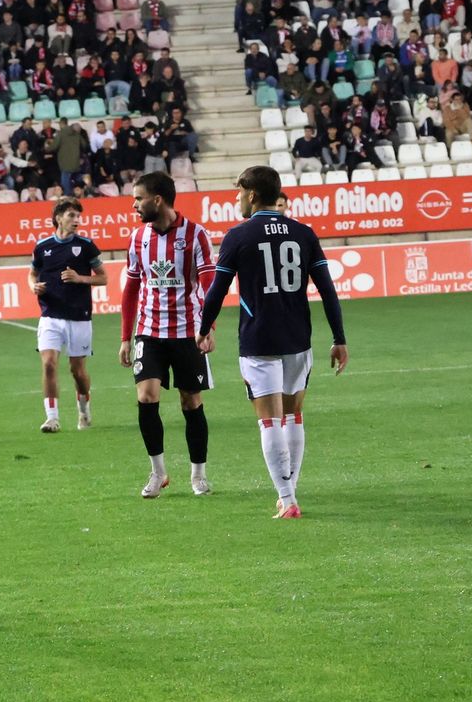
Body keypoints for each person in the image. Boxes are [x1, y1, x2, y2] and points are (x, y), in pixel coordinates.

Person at [197, 165, 349, 519]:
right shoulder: (303, 233)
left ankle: (288, 499)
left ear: (252, 194)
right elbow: (328, 290)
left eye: (239, 193)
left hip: (258, 339)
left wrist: (205, 327)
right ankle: (288, 494)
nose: (236, 200)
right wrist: (339, 337)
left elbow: (217, 290)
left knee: (269, 421)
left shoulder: (238, 236)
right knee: (294, 417)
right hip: (299, 339)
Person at [119, 170, 216, 499]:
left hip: (188, 333)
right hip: (149, 332)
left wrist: (208, 328)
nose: (134, 205)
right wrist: (124, 337)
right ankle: (158, 472)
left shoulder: (195, 235)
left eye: (138, 198)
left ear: (156, 200)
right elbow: (131, 288)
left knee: (191, 402)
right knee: (146, 397)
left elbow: (208, 284)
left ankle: (198, 473)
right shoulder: (137, 239)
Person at [30, 197, 106, 434]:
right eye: (72, 215)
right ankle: (52, 418)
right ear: (58, 218)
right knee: (49, 364)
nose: (77, 220)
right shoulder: (42, 246)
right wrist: (33, 286)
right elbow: (32, 273)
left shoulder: (86, 246)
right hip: (50, 315)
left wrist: (80, 278)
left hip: (79, 316)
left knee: (78, 371)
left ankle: (84, 409)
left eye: (78, 216)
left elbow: (103, 277)